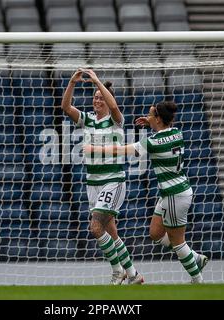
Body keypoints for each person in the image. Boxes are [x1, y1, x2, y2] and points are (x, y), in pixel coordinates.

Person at [85, 101, 208, 283]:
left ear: (158, 119)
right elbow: (161, 131)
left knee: (177, 242)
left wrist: (94, 149)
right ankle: (194, 257)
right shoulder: (177, 133)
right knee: (155, 234)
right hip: (174, 192)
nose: (148, 117)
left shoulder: (154, 142)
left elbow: (121, 150)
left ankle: (198, 280)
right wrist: (151, 121)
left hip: (174, 195)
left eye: (151, 114)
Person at [61, 68, 143, 285]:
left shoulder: (116, 120)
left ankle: (117, 271)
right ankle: (133, 275)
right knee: (112, 233)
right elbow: (66, 107)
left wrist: (97, 81)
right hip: (92, 183)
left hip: (113, 181)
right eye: (95, 97)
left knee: (95, 228)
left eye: (100, 97)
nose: (96, 100)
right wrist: (72, 82)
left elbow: (114, 106)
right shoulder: (87, 119)